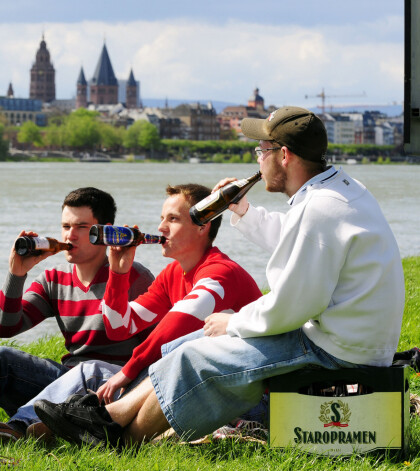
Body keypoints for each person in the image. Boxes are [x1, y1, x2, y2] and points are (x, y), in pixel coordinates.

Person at [34, 106, 405, 447]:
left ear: (285, 155)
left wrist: (234, 322)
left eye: (261, 151)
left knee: (194, 357)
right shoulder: (336, 191)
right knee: (188, 345)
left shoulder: (320, 210)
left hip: (338, 350)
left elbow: (293, 306)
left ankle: (117, 439)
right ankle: (105, 425)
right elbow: (299, 241)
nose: (257, 161)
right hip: (347, 336)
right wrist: (243, 210)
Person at [0, 182, 262, 440]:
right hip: (207, 384)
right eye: (161, 218)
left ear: (202, 226)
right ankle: (60, 428)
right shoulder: (173, 273)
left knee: (93, 372)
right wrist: (118, 272)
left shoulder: (219, 272)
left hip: (252, 395)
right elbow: (119, 327)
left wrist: (127, 372)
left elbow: (178, 323)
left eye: (173, 219)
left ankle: (20, 430)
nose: (161, 228)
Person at [0, 187, 155, 438]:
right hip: (61, 383)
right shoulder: (55, 279)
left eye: (82, 228)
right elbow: (6, 328)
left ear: (105, 232)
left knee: (1, 361)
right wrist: (17, 273)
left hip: (106, 389)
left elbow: (159, 347)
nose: (70, 236)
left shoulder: (133, 277)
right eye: (66, 227)